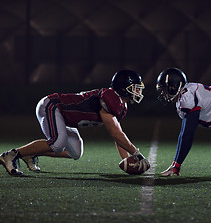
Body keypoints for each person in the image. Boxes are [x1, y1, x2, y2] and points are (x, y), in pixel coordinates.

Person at [0, 70, 150, 176]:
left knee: (76, 152)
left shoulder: (121, 106)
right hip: (52, 105)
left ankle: (29, 154)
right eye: (134, 89)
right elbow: (117, 135)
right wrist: (137, 154)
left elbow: (118, 137)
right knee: (57, 143)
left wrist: (126, 159)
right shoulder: (110, 99)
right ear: (123, 89)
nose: (138, 92)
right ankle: (11, 155)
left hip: (65, 117)